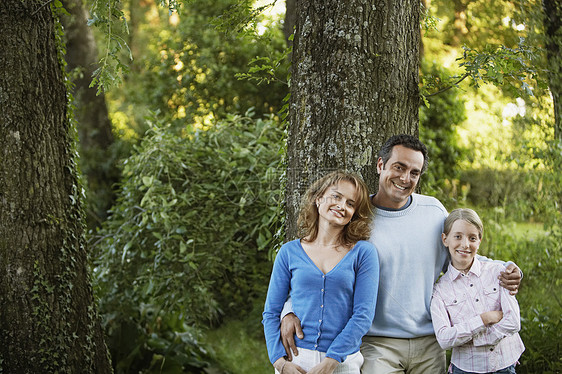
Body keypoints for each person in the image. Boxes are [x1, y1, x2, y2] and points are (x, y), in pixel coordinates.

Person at [280, 135, 522, 374]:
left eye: (414, 172)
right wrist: (288, 309)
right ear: (380, 165)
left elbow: (464, 258)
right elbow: (322, 268)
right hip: (376, 343)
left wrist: (507, 269)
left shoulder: (434, 212)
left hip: (430, 341)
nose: (405, 178)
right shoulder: (356, 218)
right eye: (399, 167)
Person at [263, 171, 380, 374]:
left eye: (350, 204)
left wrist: (332, 360)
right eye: (336, 196)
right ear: (318, 199)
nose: (342, 206)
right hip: (296, 360)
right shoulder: (289, 252)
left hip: (343, 362)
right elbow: (271, 312)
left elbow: (363, 315)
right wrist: (280, 363)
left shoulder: (364, 253)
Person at [430, 209, 525, 374]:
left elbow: (514, 321)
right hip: (467, 368)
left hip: (505, 365)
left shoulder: (497, 272)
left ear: (480, 241)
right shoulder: (440, 290)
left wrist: (479, 339)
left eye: (472, 238)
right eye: (458, 237)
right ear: (445, 239)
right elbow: (444, 338)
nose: (465, 244)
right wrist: (484, 319)